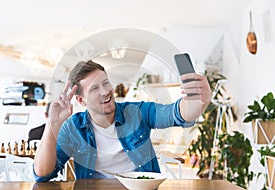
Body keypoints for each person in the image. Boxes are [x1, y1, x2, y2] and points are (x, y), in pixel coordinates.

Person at [33, 60, 211, 181]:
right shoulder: (73, 127)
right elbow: (42, 174)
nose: (105, 91)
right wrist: (52, 124)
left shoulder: (136, 112)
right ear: (81, 100)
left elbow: (175, 113)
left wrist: (197, 101)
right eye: (95, 88)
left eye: (105, 82)